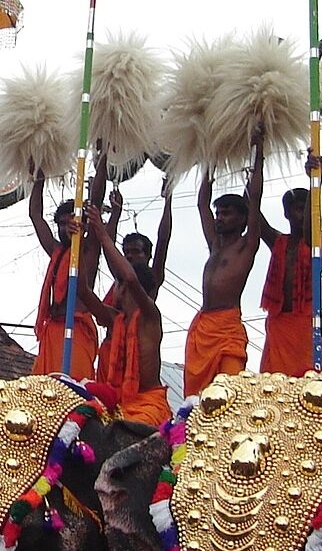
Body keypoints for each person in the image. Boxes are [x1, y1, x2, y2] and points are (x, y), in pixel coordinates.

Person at [258, 130, 322, 376]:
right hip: (278, 323)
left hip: (306, 324)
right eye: (295, 209)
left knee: (306, 386)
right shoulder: (277, 241)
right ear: (287, 213)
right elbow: (253, 210)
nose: (301, 213)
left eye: (305, 208)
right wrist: (257, 153)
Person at [185, 125, 265, 397]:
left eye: (227, 214)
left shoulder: (247, 245)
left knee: (229, 394)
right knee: (198, 401)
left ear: (242, 219)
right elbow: (201, 204)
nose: (219, 218)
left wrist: (259, 150)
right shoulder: (215, 245)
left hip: (228, 327)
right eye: (219, 213)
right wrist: (209, 159)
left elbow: (255, 198)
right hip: (204, 326)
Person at [80, 205, 170, 427]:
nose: (115, 288)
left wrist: (102, 234)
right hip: (118, 399)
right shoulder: (116, 319)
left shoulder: (150, 315)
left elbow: (130, 277)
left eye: (117, 284)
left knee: (125, 430)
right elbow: (82, 291)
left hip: (148, 403)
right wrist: (79, 243)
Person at [29, 169, 99, 379]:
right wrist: (39, 177)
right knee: (45, 394)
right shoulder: (56, 251)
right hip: (54, 330)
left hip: (78, 330)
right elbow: (35, 215)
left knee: (76, 391)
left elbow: (97, 199)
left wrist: (102, 158)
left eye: (72, 221)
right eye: (61, 223)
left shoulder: (89, 250)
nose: (66, 226)